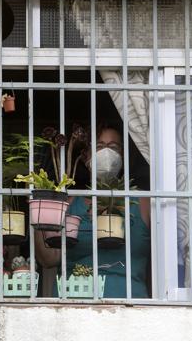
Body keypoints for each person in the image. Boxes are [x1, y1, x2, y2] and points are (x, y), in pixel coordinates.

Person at [35, 123, 151, 298]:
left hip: (130, 308)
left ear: (123, 156)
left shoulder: (143, 202)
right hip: (74, 305)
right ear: (86, 156)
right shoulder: (70, 203)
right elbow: (48, 258)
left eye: (113, 147)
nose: (106, 152)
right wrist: (40, 208)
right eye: (98, 146)